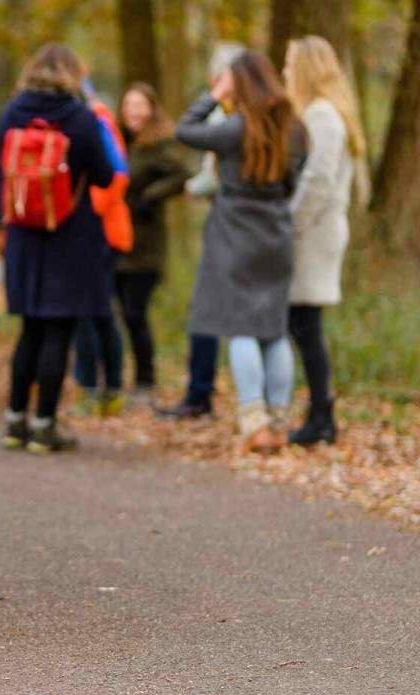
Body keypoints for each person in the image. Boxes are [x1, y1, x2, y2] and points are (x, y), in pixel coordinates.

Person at [176, 50, 307, 454]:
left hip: (235, 231)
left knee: (242, 327)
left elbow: (186, 129)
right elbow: (293, 181)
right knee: (274, 327)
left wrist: (214, 95)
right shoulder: (295, 128)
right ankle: (280, 420)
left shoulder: (234, 128)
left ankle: (254, 423)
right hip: (276, 231)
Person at [0, 43, 115, 453]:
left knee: (29, 329)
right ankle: (45, 425)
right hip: (69, 237)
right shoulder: (81, 117)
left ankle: (15, 421)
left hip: (23, 237)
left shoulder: (11, 113)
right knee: (57, 332)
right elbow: (102, 176)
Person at [282, 36, 366, 446]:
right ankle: (318, 412)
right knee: (303, 325)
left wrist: (289, 221)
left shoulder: (323, 115)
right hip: (314, 230)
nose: (284, 72)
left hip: (313, 234)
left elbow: (319, 179)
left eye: (289, 64)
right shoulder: (324, 114)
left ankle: (322, 416)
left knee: (305, 326)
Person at [159, 41, 244, 420]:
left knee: (207, 312)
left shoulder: (226, 119)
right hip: (257, 227)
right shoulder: (269, 116)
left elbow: (209, 171)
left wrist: (187, 189)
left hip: (227, 223)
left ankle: (200, 394)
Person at [116, 83, 190, 401]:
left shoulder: (159, 146)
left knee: (136, 312)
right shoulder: (121, 142)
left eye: (139, 105)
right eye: (128, 105)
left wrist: (149, 198)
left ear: (151, 109)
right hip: (118, 242)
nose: (133, 111)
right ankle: (121, 377)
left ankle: (146, 379)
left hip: (145, 246)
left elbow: (182, 175)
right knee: (121, 313)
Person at [73, 76, 131, 416]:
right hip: (92, 234)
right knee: (93, 314)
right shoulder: (88, 117)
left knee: (96, 314)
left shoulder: (98, 119)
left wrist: (84, 212)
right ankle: (98, 388)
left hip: (103, 235)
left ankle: (103, 389)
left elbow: (118, 174)